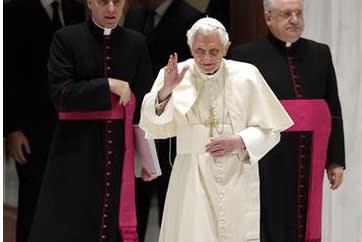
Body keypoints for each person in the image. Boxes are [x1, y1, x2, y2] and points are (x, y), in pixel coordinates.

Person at [139, 17, 294, 242]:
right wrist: (166, 91)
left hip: (236, 172)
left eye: (214, 51)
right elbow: (153, 125)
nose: (206, 58)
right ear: (190, 48)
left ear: (226, 47)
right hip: (191, 173)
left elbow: (272, 129)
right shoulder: (175, 73)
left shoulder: (247, 75)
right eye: (199, 51)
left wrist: (240, 140)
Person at [27, 0, 153, 241]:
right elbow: (61, 95)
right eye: (103, 2)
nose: (111, 9)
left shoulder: (137, 43)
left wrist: (145, 157)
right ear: (90, 2)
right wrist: (108, 85)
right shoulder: (66, 39)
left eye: (117, 2)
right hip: (76, 152)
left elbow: (143, 110)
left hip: (119, 153)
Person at [232, 0, 345, 241]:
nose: (294, 19)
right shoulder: (245, 56)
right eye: (286, 14)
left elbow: (333, 109)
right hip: (268, 159)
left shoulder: (320, 53)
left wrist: (335, 160)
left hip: (308, 156)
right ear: (268, 17)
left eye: (298, 13)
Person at [3, 1, 85, 242]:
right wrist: (11, 128)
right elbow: (7, 71)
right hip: (29, 129)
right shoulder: (13, 11)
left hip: (70, 126)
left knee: (65, 202)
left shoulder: (75, 9)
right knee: (33, 200)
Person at [124, 1, 203, 239]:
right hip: (137, 119)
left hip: (174, 126)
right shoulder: (135, 13)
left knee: (171, 194)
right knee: (136, 194)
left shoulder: (192, 17)